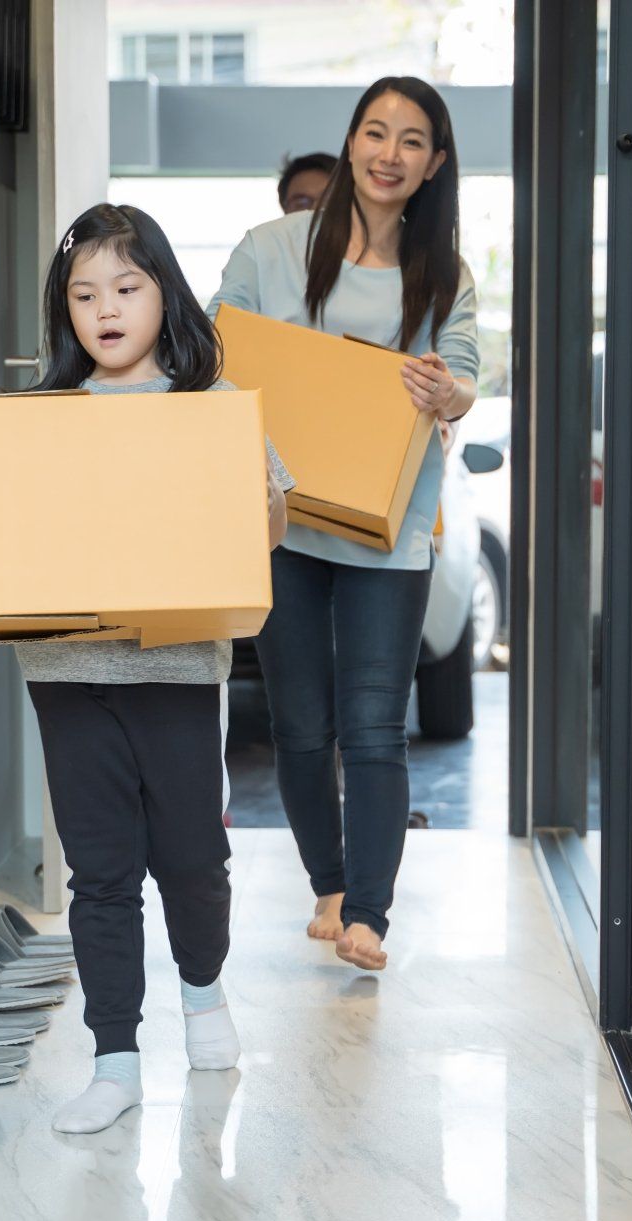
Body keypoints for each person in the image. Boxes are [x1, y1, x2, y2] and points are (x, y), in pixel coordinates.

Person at [0, 203, 294, 1135]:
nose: (106, 309)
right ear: (67, 313)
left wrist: (258, 504)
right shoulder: (37, 419)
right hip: (66, 669)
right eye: (84, 294)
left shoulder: (210, 411)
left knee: (192, 857)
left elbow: (266, 528)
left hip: (179, 671)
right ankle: (115, 1056)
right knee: (100, 869)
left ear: (164, 295)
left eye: (126, 288)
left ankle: (206, 992)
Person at [210, 76, 479, 972]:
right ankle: (327, 881)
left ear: (434, 163)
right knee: (299, 724)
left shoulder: (442, 272)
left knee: (373, 724)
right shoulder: (268, 251)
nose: (388, 153)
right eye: (375, 132)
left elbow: (467, 373)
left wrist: (450, 390)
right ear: (352, 139)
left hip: (388, 528)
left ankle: (368, 911)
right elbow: (215, 365)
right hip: (281, 521)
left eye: (411, 140)